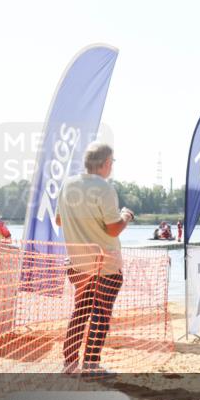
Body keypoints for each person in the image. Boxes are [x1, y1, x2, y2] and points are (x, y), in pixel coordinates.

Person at [56, 142, 135, 379]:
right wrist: (126, 216)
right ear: (107, 163)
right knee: (100, 314)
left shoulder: (68, 185)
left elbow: (59, 221)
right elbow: (112, 230)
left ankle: (70, 364)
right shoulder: (105, 188)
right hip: (105, 263)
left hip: (77, 263)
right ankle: (91, 365)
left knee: (80, 311)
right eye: (113, 162)